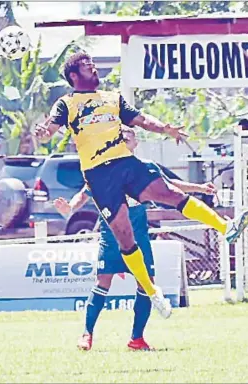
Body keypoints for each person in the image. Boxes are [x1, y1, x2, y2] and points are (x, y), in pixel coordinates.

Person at [35, 51, 248, 318]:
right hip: (99, 175)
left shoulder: (112, 99)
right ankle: (151, 290)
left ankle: (225, 227)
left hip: (125, 162)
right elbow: (49, 129)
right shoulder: (66, 103)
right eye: (88, 66)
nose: (94, 69)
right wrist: (43, 134)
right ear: (75, 76)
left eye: (94, 64)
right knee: (124, 235)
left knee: (170, 193)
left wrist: (166, 129)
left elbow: (143, 120)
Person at [54, 128, 218, 351]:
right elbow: (84, 194)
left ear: (135, 143)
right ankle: (87, 334)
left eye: (126, 138)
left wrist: (198, 188)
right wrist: (70, 207)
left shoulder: (144, 169)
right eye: (119, 137)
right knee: (103, 281)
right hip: (111, 238)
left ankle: (136, 339)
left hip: (139, 237)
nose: (122, 140)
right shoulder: (104, 169)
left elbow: (170, 184)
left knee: (146, 283)